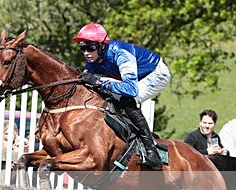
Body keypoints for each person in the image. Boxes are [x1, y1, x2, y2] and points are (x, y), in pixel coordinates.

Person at [73, 22, 170, 169]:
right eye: (82, 48)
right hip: (130, 79)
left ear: (102, 46)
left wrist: (99, 81)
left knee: (127, 99)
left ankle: (152, 151)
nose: (86, 53)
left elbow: (130, 89)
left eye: (90, 47)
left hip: (156, 73)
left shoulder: (120, 53)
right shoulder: (91, 62)